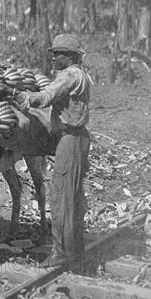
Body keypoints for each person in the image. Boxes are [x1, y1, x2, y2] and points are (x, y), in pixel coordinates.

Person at [15, 33, 91, 273]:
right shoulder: (81, 75)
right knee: (73, 197)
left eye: (57, 54)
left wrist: (24, 97)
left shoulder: (69, 75)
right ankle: (74, 251)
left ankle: (60, 253)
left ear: (69, 56)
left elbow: (46, 97)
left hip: (70, 139)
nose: (54, 58)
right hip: (77, 138)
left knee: (60, 196)